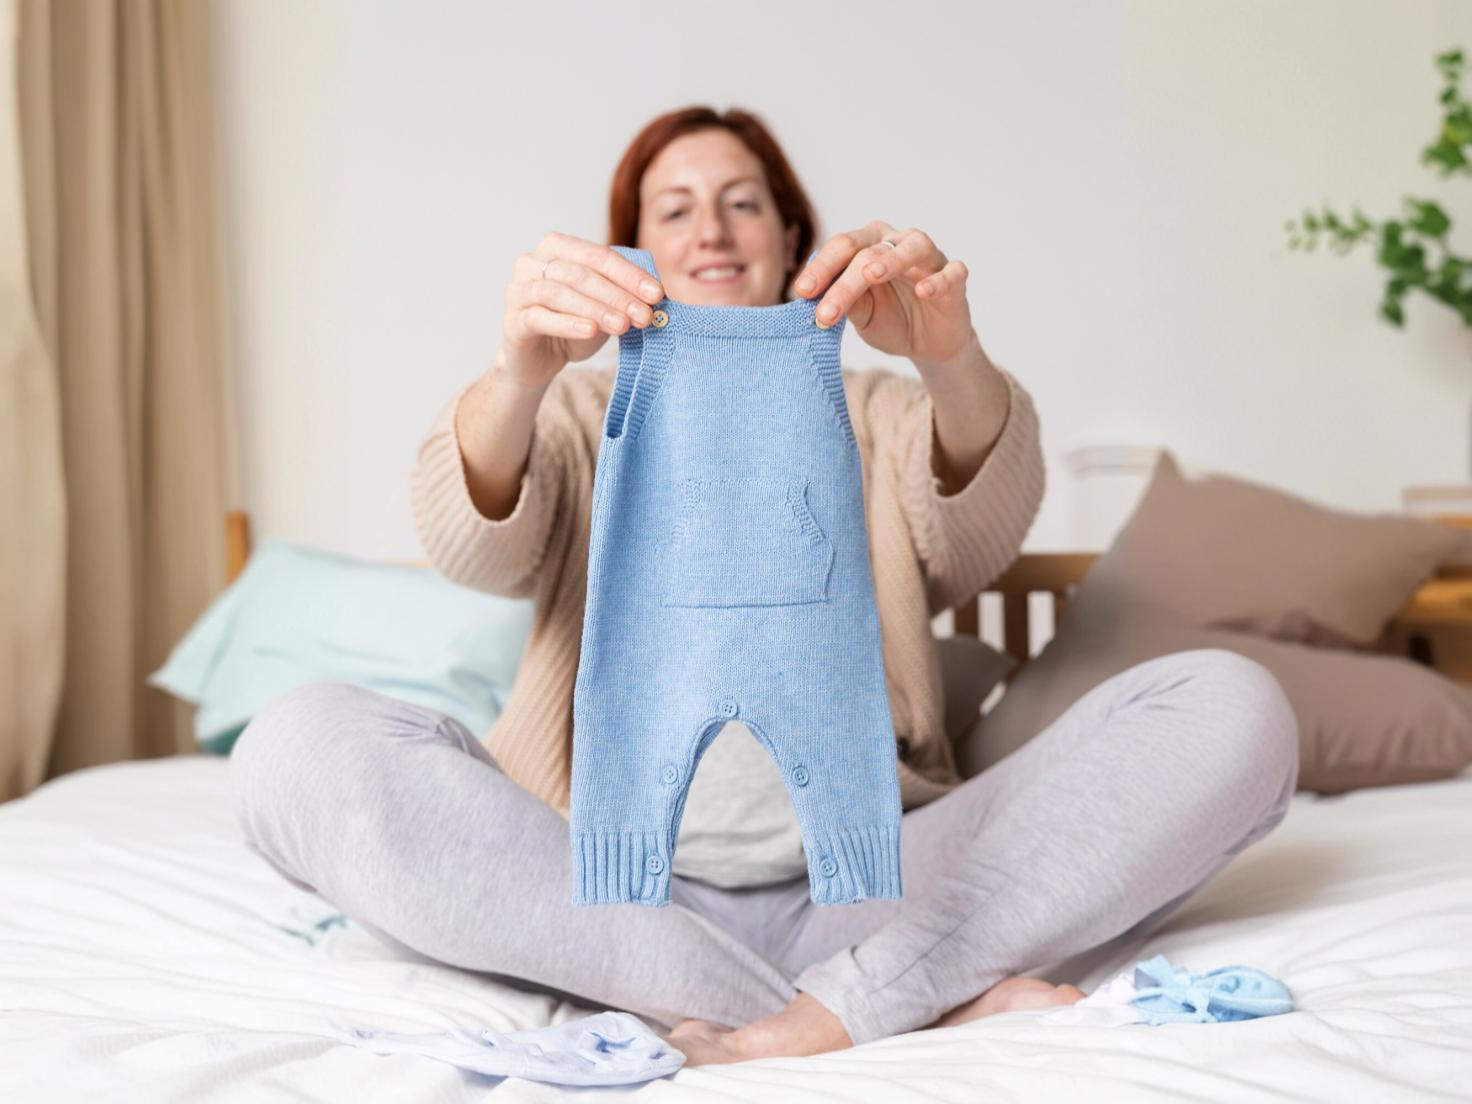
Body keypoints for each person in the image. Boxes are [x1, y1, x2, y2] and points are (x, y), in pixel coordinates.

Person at [229, 106, 1299, 1067]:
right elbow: (473, 544)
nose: (712, 230)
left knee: (1230, 705)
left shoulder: (874, 408)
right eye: (676, 207)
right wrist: (516, 371)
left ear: (791, 237)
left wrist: (949, 356)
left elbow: (973, 530)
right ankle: (882, 1006)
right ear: (630, 248)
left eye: (744, 204)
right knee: (294, 748)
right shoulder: (575, 409)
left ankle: (821, 998)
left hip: (877, 888)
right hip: (599, 893)